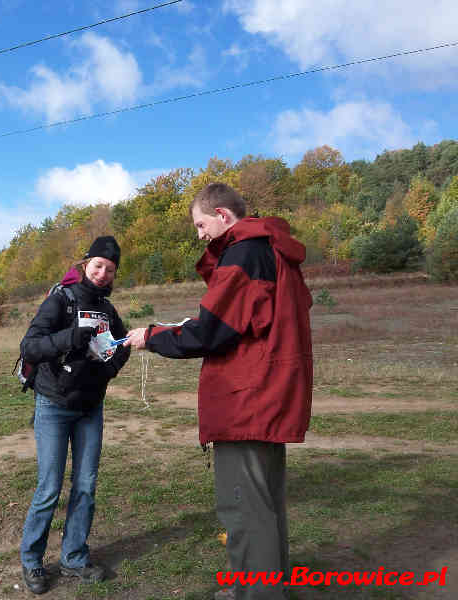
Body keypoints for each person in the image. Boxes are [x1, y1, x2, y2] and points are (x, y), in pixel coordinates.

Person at [126, 183, 313, 600]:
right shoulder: (273, 252)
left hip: (245, 403)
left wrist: (152, 336)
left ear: (223, 216)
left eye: (200, 224)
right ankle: (263, 588)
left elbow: (210, 333)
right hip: (267, 399)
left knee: (245, 509)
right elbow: (238, 320)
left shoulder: (244, 252)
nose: (199, 235)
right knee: (265, 505)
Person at [19, 236, 131, 595]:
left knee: (85, 485)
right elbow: (30, 346)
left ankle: (74, 558)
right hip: (53, 405)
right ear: (85, 265)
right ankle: (32, 561)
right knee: (50, 487)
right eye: (97, 266)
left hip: (90, 407)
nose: (102, 274)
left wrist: (111, 368)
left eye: (109, 269)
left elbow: (123, 343)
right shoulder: (60, 300)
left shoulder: (108, 310)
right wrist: (70, 337)